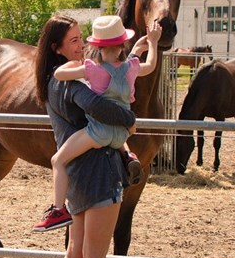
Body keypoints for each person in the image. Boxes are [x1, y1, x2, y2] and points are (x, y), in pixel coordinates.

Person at [34, 14, 136, 258]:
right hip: (99, 171)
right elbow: (103, 109)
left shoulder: (51, 80)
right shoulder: (73, 83)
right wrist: (130, 119)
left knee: (75, 254)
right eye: (75, 40)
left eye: (82, 38)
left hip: (77, 175)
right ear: (57, 48)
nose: (81, 45)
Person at [33, 14, 161, 232]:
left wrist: (78, 66)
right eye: (75, 40)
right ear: (123, 45)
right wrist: (151, 44)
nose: (82, 45)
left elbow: (61, 75)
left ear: (98, 46)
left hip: (98, 133)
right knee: (116, 121)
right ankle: (127, 153)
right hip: (121, 135)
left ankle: (57, 209)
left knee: (58, 160)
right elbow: (148, 66)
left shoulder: (93, 69)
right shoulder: (130, 67)